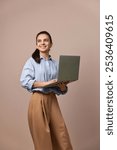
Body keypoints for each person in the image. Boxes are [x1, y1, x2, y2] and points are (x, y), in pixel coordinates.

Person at [20, 31, 73, 150]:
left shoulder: (56, 64)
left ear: (51, 44)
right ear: (36, 44)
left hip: (52, 99)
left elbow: (61, 89)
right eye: (39, 41)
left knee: (61, 134)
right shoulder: (31, 61)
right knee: (42, 139)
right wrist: (46, 83)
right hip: (37, 100)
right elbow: (24, 81)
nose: (42, 43)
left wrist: (63, 86)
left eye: (45, 40)